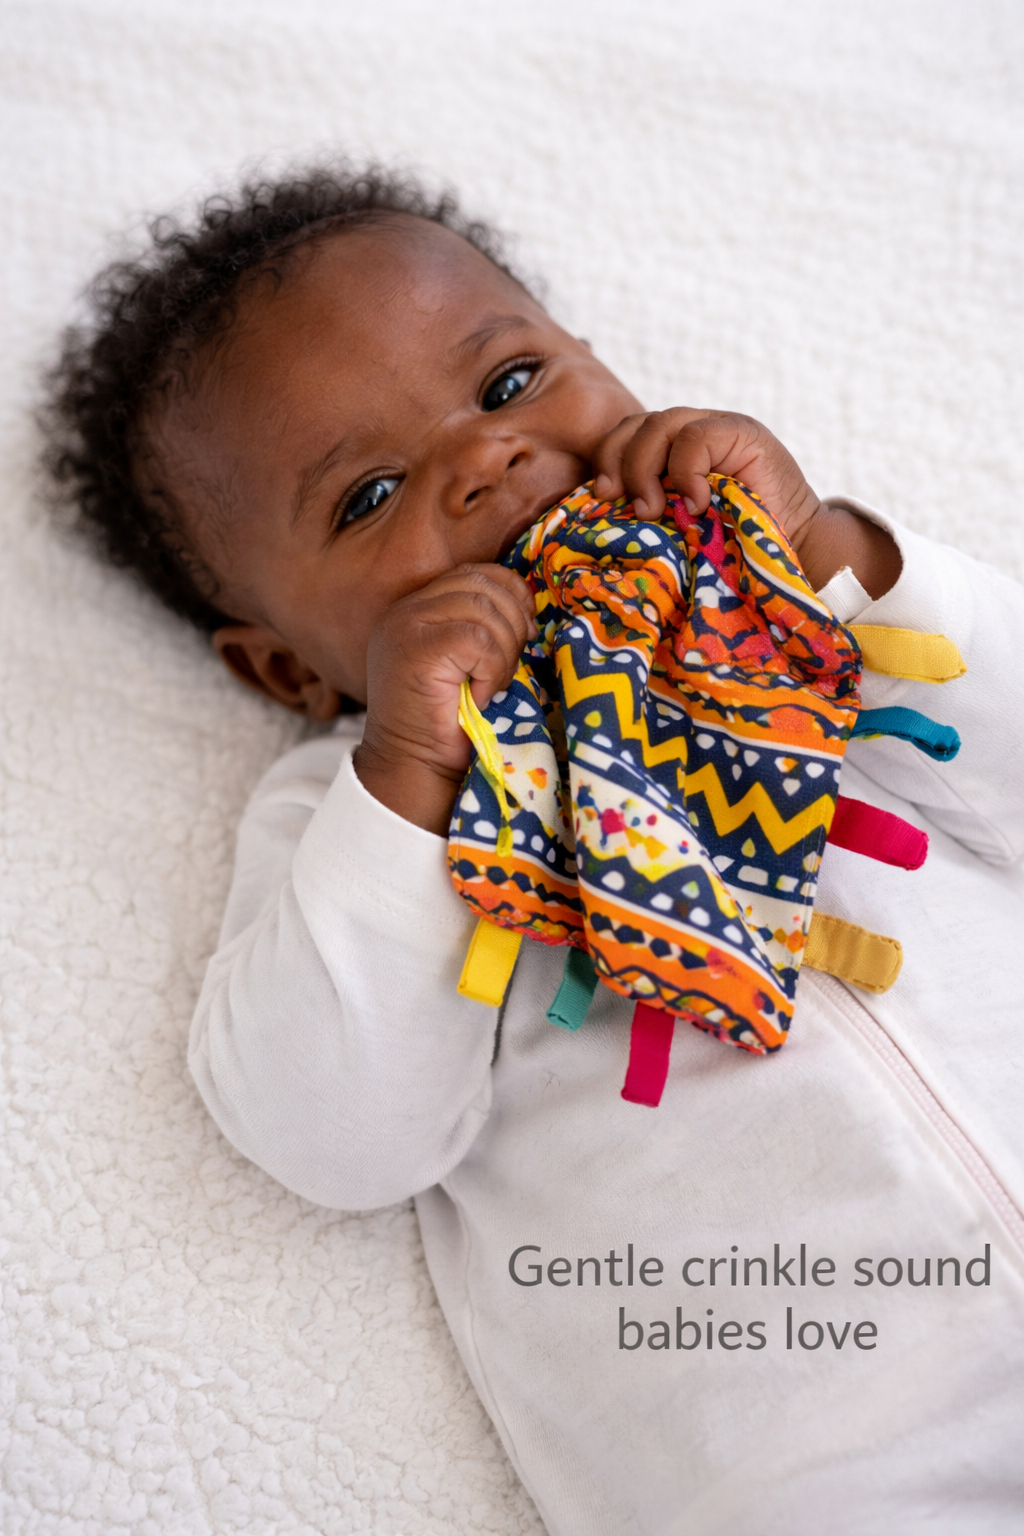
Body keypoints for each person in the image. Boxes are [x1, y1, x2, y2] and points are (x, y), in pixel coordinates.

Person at [47, 165, 1024, 1535]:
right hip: (815, 1443)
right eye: (369, 495)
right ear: (286, 668)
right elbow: (333, 1138)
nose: (486, 462)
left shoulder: (800, 625)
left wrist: (832, 554)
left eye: (510, 385)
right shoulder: (355, 810)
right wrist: (412, 770)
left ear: (599, 362)